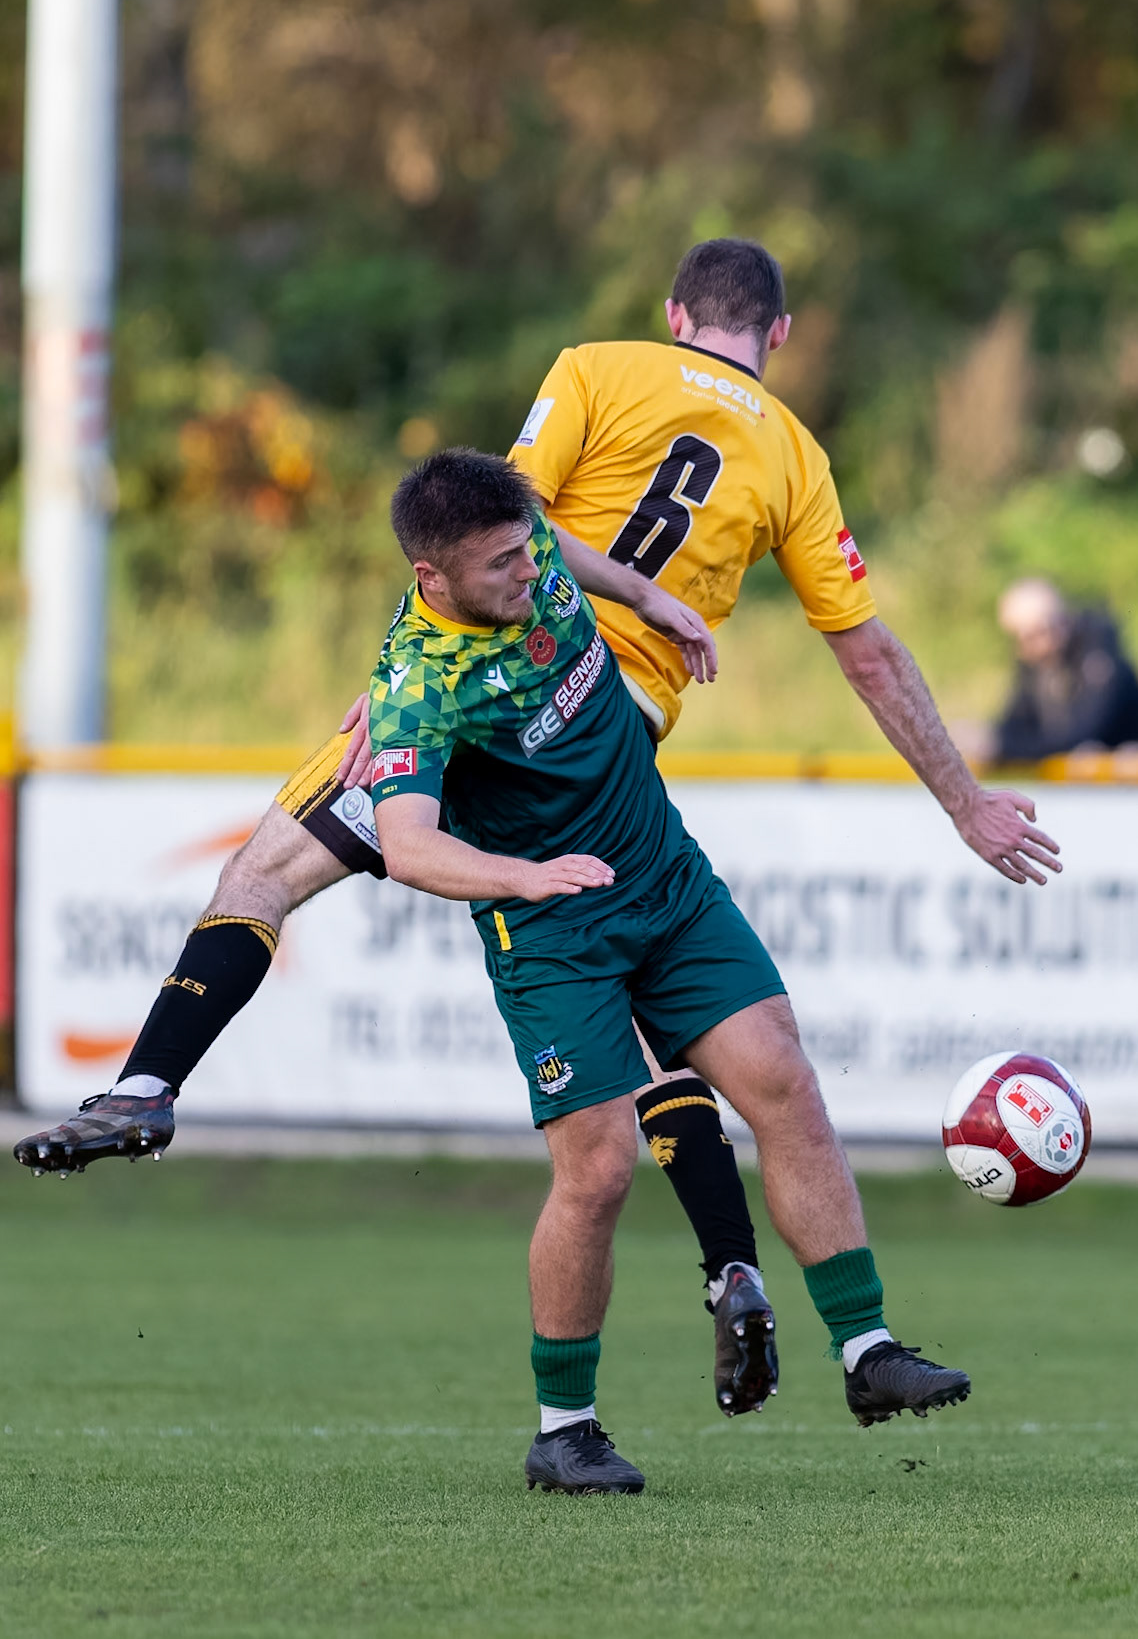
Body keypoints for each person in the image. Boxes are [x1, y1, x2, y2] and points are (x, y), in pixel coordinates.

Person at [15, 238, 1061, 1424]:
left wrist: (416, 667)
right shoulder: (796, 457)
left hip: (480, 680)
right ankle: (739, 1272)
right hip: (611, 725)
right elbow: (865, 649)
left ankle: (149, 1083)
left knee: (265, 872)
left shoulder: (600, 369)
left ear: (674, 314)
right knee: (675, 1023)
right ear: (776, 336)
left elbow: (491, 528)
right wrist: (964, 801)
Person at [368, 446, 973, 1495]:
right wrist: (522, 876)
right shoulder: (418, 681)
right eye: (501, 564)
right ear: (434, 579)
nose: (527, 572)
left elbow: (556, 542)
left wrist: (653, 597)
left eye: (527, 549)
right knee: (597, 1168)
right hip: (552, 926)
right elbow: (407, 843)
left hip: (666, 879)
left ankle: (866, 1351)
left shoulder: (531, 559)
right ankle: (565, 1429)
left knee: (782, 1078)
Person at [989, 577, 1138, 762]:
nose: (1022, 651)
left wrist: (1023, 748)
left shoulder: (1097, 651)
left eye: (1028, 638)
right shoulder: (1033, 664)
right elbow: (1010, 731)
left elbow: (1088, 732)